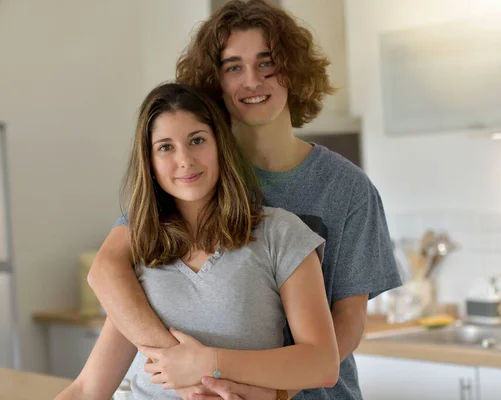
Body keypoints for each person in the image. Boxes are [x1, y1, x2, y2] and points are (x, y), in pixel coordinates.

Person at [88, 0, 402, 399]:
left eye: (267, 62)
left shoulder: (347, 188)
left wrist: (272, 392)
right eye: (233, 66)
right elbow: (106, 270)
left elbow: (349, 320)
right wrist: (185, 366)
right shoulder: (195, 175)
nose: (252, 80)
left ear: (293, 71)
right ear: (214, 81)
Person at [56, 83, 339, 399]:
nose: (185, 160)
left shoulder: (281, 234)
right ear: (149, 162)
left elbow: (321, 363)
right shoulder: (141, 252)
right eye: (165, 147)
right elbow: (87, 389)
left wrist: (207, 363)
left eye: (197, 140)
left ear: (220, 145)